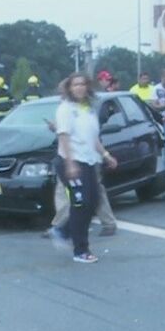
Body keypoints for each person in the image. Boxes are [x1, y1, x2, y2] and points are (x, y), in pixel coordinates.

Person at [51, 73, 118, 263]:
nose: (79, 88)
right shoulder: (65, 109)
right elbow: (63, 137)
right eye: (75, 85)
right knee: (81, 204)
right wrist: (70, 164)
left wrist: (106, 155)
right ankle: (81, 251)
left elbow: (93, 138)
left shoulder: (88, 109)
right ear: (69, 88)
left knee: (93, 201)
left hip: (89, 162)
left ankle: (62, 231)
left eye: (82, 84)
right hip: (71, 162)